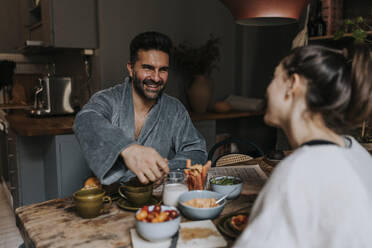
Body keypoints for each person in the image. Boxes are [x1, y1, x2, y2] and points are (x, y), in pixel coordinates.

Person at [234, 45, 372, 248]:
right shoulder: (357, 152)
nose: (268, 89)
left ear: (293, 84)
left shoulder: (298, 171)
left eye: (274, 78)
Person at [73, 31, 207, 185]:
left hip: (156, 201)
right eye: (148, 68)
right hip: (111, 198)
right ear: (131, 69)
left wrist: (165, 170)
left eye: (163, 70)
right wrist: (128, 148)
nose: (156, 78)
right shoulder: (108, 99)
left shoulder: (174, 109)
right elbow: (85, 119)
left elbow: (196, 151)